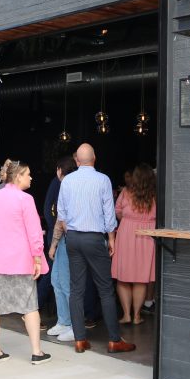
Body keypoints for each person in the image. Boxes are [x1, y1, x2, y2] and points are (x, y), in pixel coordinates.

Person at [56, 143, 136, 354]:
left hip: (72, 237)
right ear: (94, 159)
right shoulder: (102, 180)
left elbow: (61, 214)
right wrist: (111, 238)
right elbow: (109, 213)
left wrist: (69, 232)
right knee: (105, 289)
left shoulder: (67, 181)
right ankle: (114, 340)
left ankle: (80, 340)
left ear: (77, 161)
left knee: (76, 289)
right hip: (94, 237)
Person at [0, 159, 52, 365]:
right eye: (28, 174)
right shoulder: (25, 200)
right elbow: (35, 232)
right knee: (29, 305)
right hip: (20, 259)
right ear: (18, 177)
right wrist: (37, 257)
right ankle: (36, 352)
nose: (31, 177)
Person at [112, 163, 157, 324]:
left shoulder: (125, 192)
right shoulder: (155, 196)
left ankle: (126, 315)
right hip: (147, 237)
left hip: (127, 235)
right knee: (141, 278)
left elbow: (117, 212)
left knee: (123, 278)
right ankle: (137, 316)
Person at [46, 155, 78, 341]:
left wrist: (54, 243)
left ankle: (75, 325)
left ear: (59, 170)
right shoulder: (67, 185)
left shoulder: (68, 185)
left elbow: (62, 218)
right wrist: (55, 244)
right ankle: (64, 321)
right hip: (65, 239)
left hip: (71, 238)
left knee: (66, 282)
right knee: (56, 280)